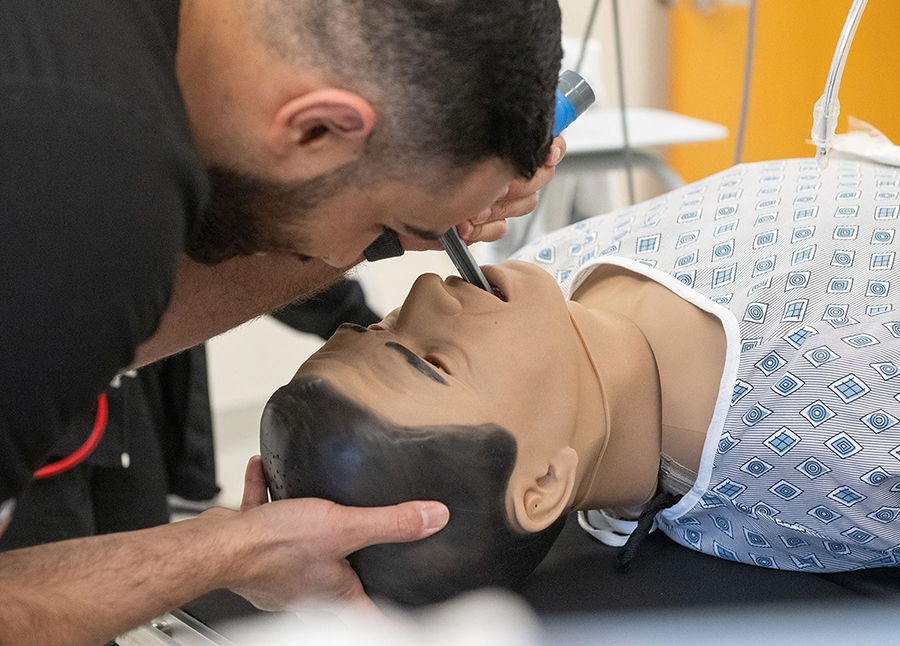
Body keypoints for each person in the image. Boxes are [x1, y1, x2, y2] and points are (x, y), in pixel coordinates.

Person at [0, 1, 567, 643]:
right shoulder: (71, 171)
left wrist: (398, 221)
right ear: (319, 128)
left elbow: (92, 321)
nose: (430, 291)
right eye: (384, 228)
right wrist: (233, 553)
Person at [262, 157, 900, 605]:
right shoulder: (839, 439)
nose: (428, 288)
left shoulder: (547, 279)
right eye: (432, 362)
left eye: (377, 329)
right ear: (541, 484)